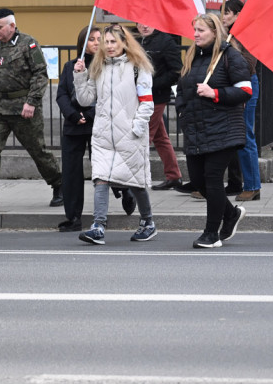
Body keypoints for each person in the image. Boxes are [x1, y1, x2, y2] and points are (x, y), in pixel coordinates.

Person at [73, 23, 157, 245]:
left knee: (136, 182)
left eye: (113, 41)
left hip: (129, 134)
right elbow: (85, 100)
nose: (108, 46)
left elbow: (147, 104)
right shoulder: (98, 67)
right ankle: (98, 226)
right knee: (100, 179)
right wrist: (80, 76)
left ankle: (148, 222)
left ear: (124, 43)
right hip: (102, 135)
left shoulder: (138, 67)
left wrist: (136, 128)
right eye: (105, 42)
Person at [175, 13, 253, 249]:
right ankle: (230, 214)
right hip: (196, 130)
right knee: (199, 181)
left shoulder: (230, 56)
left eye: (201, 30)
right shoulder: (192, 56)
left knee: (213, 180)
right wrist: (182, 112)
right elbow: (182, 90)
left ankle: (211, 234)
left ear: (214, 32)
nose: (196, 34)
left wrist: (215, 93)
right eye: (195, 30)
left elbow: (245, 91)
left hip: (224, 129)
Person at [0, 8, 62, 208]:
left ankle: (59, 184)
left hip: (24, 107)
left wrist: (32, 101)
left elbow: (40, 74)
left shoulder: (28, 44)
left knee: (37, 150)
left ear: (12, 26)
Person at [55, 26, 100, 232]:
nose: (97, 43)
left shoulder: (106, 66)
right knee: (71, 172)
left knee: (102, 168)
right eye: (92, 39)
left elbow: (105, 96)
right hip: (74, 124)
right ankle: (73, 217)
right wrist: (73, 115)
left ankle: (124, 192)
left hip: (97, 123)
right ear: (83, 43)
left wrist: (89, 115)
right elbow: (62, 94)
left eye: (100, 39)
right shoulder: (71, 66)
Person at [134, 23, 184, 191]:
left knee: (143, 136)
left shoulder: (166, 41)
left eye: (148, 21)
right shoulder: (136, 40)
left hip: (156, 96)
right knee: (160, 137)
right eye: (140, 22)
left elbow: (176, 71)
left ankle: (136, 178)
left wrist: (152, 85)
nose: (144, 26)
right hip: (139, 96)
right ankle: (174, 176)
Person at [221, 0, 262, 201]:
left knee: (246, 135)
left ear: (238, 15)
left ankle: (253, 185)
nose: (223, 16)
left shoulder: (244, 34)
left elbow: (249, 64)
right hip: (232, 86)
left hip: (245, 85)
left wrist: (231, 48)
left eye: (227, 13)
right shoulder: (228, 34)